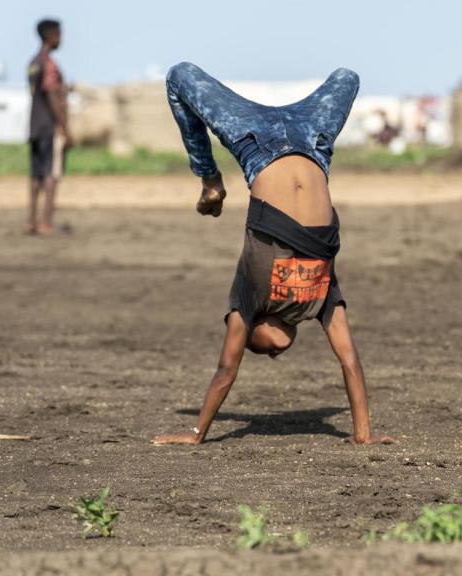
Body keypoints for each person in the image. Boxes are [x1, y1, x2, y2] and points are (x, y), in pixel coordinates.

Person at [152, 63, 394, 446]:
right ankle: (212, 178)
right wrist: (362, 434)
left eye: (258, 351)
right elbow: (349, 361)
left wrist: (197, 433)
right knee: (347, 77)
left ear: (250, 329)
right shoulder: (318, 300)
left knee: (178, 75)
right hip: (314, 143)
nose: (273, 356)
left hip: (254, 144)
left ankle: (210, 181)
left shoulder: (247, 299)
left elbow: (226, 370)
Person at [26, 18, 70, 235]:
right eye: (60, 34)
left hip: (34, 125)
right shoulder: (50, 64)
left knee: (35, 175)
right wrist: (63, 127)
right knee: (52, 174)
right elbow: (52, 96)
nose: (61, 38)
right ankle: (46, 222)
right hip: (49, 127)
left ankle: (31, 221)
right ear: (51, 35)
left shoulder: (33, 62)